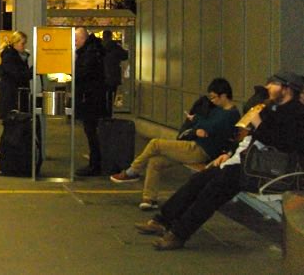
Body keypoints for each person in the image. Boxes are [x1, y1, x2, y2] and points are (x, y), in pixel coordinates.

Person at [135, 70, 304, 250]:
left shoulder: (297, 113)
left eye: (273, 84)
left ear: (286, 89)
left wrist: (258, 124)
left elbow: (285, 144)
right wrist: (229, 153)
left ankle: (178, 234)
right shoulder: (272, 108)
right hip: (254, 164)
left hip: (272, 171)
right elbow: (251, 138)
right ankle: (163, 220)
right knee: (200, 179)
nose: (268, 86)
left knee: (215, 188)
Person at [110, 78, 241, 210]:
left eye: (214, 97)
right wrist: (199, 127)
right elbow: (203, 127)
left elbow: (210, 126)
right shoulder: (218, 110)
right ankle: (149, 199)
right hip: (196, 145)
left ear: (223, 95)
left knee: (155, 144)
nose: (212, 101)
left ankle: (132, 171)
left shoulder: (231, 115)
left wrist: (196, 120)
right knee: (156, 161)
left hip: (202, 150)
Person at [74, 27, 106, 176]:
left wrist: (71, 74)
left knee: (91, 131)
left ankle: (95, 165)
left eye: (76, 39)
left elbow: (84, 73)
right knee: (91, 131)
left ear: (83, 39)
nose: (74, 43)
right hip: (93, 97)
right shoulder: (93, 50)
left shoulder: (89, 53)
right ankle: (95, 162)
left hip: (90, 98)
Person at [0, 31, 31, 118]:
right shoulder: (9, 56)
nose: (24, 46)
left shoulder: (18, 56)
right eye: (22, 43)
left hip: (16, 94)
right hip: (12, 96)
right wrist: (30, 72)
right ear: (15, 43)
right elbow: (16, 75)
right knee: (13, 124)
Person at [101, 30, 128, 116]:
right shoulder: (116, 46)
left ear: (103, 37)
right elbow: (125, 56)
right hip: (113, 75)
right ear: (111, 36)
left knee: (102, 95)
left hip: (102, 75)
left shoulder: (99, 46)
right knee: (112, 95)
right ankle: (110, 112)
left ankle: (104, 112)